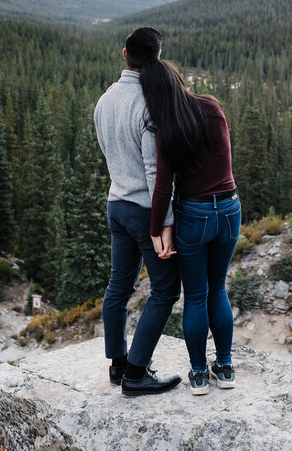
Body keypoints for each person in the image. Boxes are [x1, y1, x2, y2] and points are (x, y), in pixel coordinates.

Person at [143, 55, 240, 396]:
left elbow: (162, 186)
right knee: (219, 289)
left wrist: (156, 229)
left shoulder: (165, 128)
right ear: (178, 80)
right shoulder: (212, 107)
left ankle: (199, 374)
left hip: (194, 215)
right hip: (229, 209)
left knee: (196, 296)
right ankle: (225, 368)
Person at [93, 27, 182, 396]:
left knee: (118, 286)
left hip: (115, 203)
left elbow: (107, 151)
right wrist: (164, 224)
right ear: (156, 59)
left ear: (124, 53)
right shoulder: (149, 104)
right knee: (165, 290)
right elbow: (153, 171)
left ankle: (118, 365)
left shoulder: (105, 99)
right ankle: (137, 372)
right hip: (143, 209)